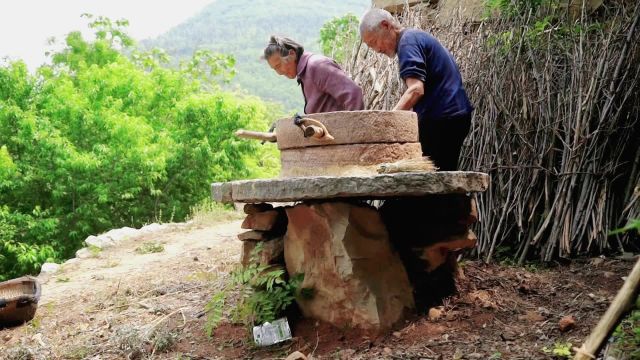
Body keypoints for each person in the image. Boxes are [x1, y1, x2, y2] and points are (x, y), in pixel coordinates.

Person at [359, 8, 473, 171]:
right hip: (453, 116)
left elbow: (416, 90)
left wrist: (388, 120)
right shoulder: (414, 38)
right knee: (442, 177)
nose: (377, 50)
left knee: (432, 181)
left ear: (386, 26)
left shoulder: (408, 42)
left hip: (443, 120)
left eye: (374, 42)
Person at [263, 35, 364, 114]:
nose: (279, 72)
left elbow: (353, 93)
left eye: (278, 65)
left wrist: (352, 134)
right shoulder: (304, 75)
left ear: (292, 54)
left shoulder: (317, 66)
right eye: (275, 69)